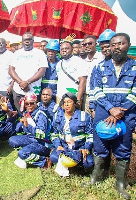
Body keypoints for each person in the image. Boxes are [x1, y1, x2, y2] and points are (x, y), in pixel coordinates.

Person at [90, 33, 136, 200]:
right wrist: (110, 109)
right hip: (104, 110)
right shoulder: (100, 67)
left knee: (123, 147)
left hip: (126, 112)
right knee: (100, 144)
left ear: (128, 45)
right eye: (114, 44)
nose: (117, 47)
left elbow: (135, 93)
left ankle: (120, 184)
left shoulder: (134, 67)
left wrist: (119, 112)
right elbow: (95, 90)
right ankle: (96, 177)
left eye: (121, 43)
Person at [50, 93, 94, 171]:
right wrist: (58, 146)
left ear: (75, 103)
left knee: (89, 163)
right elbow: (54, 133)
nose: (66, 104)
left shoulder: (84, 116)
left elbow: (90, 135)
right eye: (64, 102)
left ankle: (75, 163)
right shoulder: (57, 116)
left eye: (69, 102)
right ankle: (72, 162)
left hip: (79, 148)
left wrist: (86, 148)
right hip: (64, 147)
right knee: (54, 158)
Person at [9, 93, 52, 169]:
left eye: (31, 103)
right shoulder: (27, 113)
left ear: (36, 103)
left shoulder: (41, 115)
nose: (29, 105)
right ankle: (30, 151)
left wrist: (27, 126)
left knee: (22, 154)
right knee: (12, 140)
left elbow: (41, 135)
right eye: (26, 104)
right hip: (31, 138)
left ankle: (44, 161)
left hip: (42, 143)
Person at [9, 32, 48, 112]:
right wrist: (21, 83)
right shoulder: (17, 53)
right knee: (20, 115)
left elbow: (42, 71)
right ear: (22, 41)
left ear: (33, 41)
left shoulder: (40, 54)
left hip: (34, 91)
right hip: (18, 91)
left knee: (33, 115)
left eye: (29, 39)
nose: (27, 41)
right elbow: (11, 70)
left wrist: (27, 82)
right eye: (25, 40)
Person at [89, 29, 116, 118]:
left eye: (107, 47)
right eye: (102, 48)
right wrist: (93, 109)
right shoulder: (98, 67)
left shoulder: (129, 65)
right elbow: (93, 89)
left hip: (123, 110)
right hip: (103, 109)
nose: (105, 50)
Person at [55, 41, 87, 109]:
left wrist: (78, 100)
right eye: (62, 49)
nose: (64, 50)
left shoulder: (79, 61)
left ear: (72, 49)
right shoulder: (59, 64)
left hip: (73, 97)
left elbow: (83, 81)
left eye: (66, 48)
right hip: (60, 97)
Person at [82, 35, 105, 114]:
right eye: (84, 44)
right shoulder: (83, 61)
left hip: (100, 96)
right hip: (87, 96)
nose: (87, 46)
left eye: (90, 43)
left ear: (96, 44)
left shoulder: (102, 58)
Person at [0, 38, 15, 108]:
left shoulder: (11, 55)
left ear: (6, 45)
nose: (0, 45)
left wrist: (11, 86)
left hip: (7, 88)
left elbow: (15, 71)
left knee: (7, 107)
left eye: (2, 43)